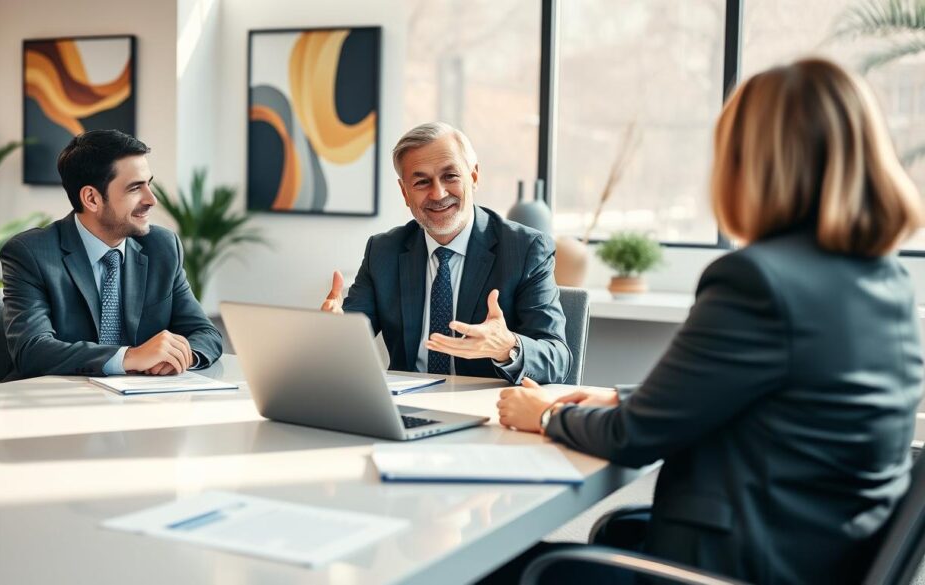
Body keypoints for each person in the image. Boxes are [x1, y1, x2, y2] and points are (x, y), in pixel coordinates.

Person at [495, 58, 925, 584]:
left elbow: (634, 438)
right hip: (812, 557)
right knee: (611, 534)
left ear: (753, 163)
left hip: (736, 568)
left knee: (502, 570)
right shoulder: (883, 279)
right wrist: (618, 396)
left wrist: (542, 415)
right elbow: (767, 399)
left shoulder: (757, 280)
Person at [321, 122, 570, 384]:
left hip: (489, 408)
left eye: (450, 176)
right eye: (421, 182)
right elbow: (351, 339)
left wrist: (507, 347)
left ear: (473, 177)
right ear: (405, 193)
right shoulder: (383, 251)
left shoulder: (526, 249)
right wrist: (334, 333)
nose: (438, 193)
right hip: (407, 407)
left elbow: (557, 358)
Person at [0, 130, 223, 379]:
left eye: (149, 184)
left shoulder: (163, 247)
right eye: (135, 188)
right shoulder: (31, 254)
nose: (152, 199)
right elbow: (32, 351)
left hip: (145, 405)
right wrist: (128, 357)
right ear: (92, 198)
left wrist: (181, 356)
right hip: (59, 407)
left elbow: (205, 333)